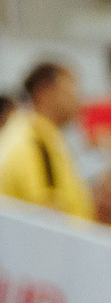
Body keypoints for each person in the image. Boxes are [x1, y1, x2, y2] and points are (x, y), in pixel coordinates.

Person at [0, 62, 92, 218]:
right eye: (70, 90)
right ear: (45, 92)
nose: (77, 100)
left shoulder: (35, 136)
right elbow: (48, 216)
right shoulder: (36, 143)